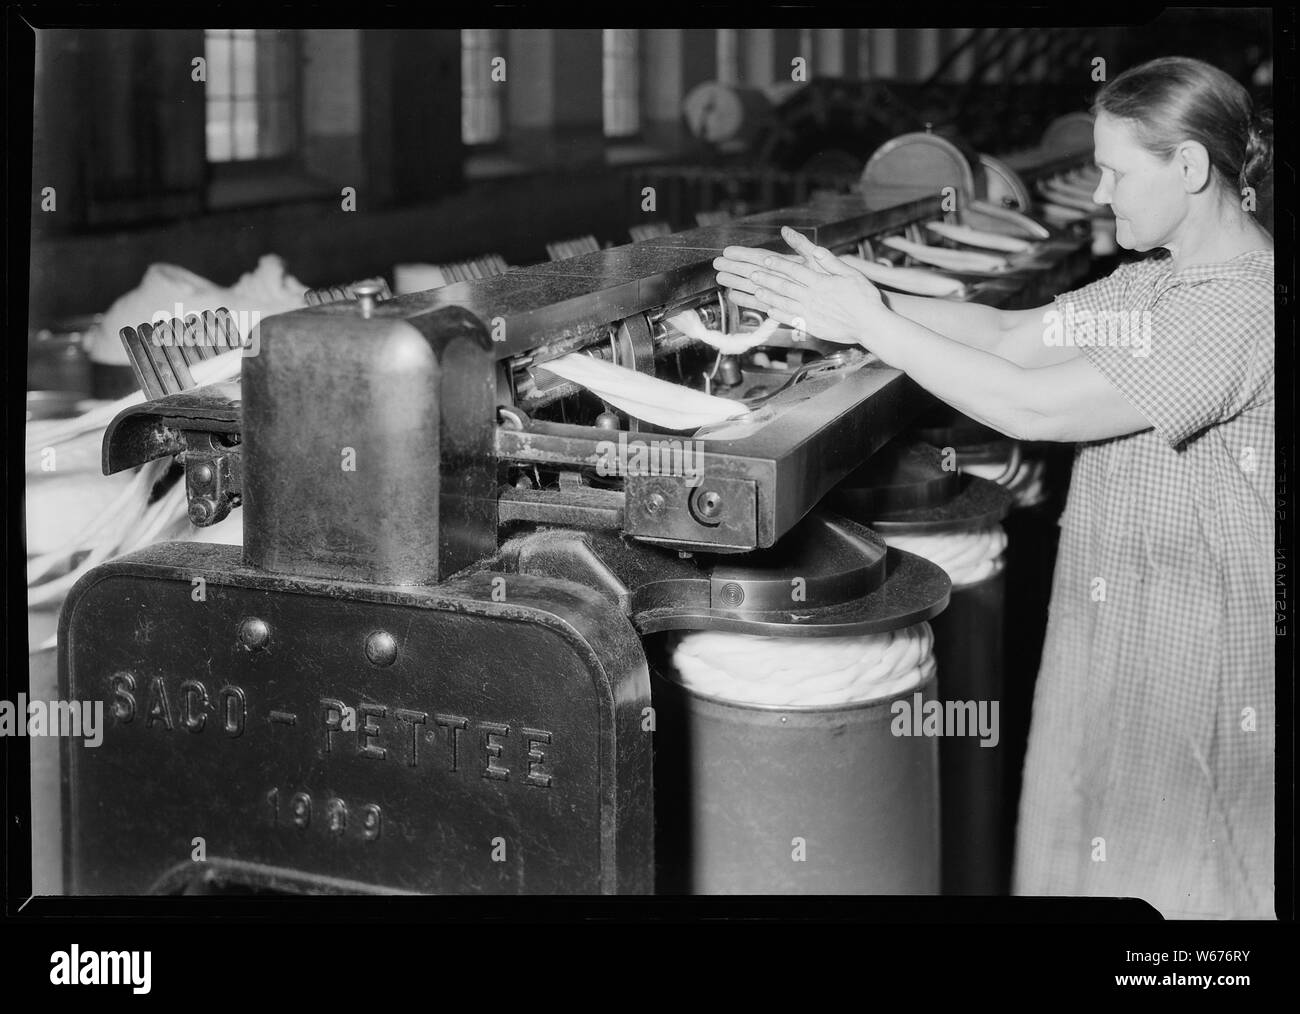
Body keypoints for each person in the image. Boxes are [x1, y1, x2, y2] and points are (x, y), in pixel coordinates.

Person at [713, 55, 1274, 919]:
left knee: (1189, 870)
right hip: (1127, 621)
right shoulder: (1162, 280)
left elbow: (1027, 405)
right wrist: (846, 295)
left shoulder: (1235, 309)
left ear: (1191, 168)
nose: (1100, 195)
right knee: (1103, 841)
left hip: (1196, 647)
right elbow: (1010, 336)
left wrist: (868, 326)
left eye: (1119, 172)